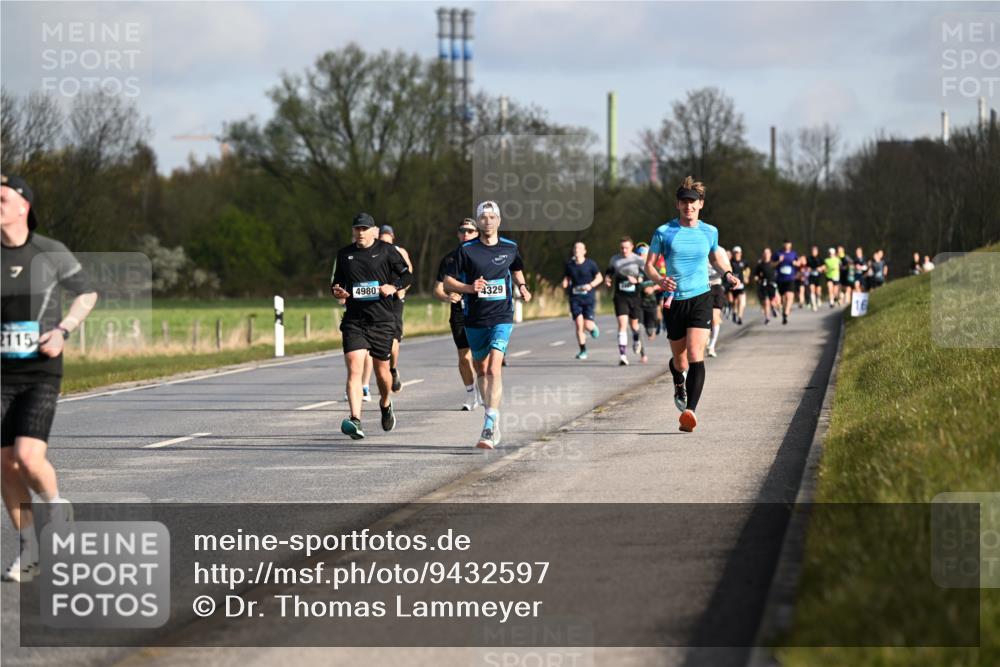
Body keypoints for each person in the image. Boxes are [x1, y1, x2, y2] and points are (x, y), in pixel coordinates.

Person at [2, 175, 97, 582]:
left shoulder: (49, 251)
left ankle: (57, 504)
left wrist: (63, 330)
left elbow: (87, 292)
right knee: (4, 464)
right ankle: (29, 549)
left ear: (23, 206)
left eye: (2, 198)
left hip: (39, 369)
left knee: (27, 458)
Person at [644, 176, 741, 433]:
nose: (688, 206)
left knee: (697, 354)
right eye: (684, 202)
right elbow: (649, 266)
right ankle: (678, 378)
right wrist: (660, 280)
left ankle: (690, 412)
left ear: (700, 205)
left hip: (701, 297)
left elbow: (716, 255)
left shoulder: (709, 231)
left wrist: (727, 273)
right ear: (678, 205)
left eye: (693, 202)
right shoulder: (664, 232)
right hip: (675, 301)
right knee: (681, 360)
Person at [443, 201, 531, 449]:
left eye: (493, 217)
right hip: (474, 318)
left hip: (502, 315)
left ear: (499, 221)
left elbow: (517, 269)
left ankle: (490, 422)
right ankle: (491, 414)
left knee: (493, 368)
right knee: (481, 369)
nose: (488, 221)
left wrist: (522, 286)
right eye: (484, 217)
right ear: (478, 221)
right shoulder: (466, 250)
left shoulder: (510, 247)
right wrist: (470, 288)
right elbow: (448, 282)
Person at [331, 213, 413, 440]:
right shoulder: (345, 254)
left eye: (364, 229)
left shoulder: (387, 251)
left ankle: (386, 403)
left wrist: (393, 286)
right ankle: (355, 419)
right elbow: (336, 283)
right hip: (354, 321)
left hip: (382, 320)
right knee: (354, 369)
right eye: (357, 229)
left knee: (382, 372)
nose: (360, 233)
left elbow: (407, 276)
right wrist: (339, 291)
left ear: (373, 230)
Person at [433, 219, 482, 410]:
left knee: (480, 357)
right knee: (464, 356)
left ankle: (484, 389)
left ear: (477, 233)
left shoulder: (484, 255)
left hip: (481, 311)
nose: (466, 234)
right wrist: (447, 297)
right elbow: (437, 289)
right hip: (459, 312)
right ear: (458, 234)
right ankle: (471, 394)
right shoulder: (449, 259)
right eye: (462, 231)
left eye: (470, 231)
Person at [376, 225, 412, 393]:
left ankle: (393, 369)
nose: (385, 242)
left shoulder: (400, 252)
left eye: (387, 238)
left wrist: (401, 289)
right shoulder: (374, 252)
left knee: (394, 338)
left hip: (395, 297)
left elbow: (408, 274)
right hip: (379, 297)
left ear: (393, 238)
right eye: (382, 238)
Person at [605, 236, 646, 366]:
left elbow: (645, 276)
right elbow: (609, 272)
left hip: (634, 297)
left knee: (634, 326)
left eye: (626, 248)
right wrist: (607, 279)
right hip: (620, 296)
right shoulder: (615, 259)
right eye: (622, 248)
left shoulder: (638, 260)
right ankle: (623, 356)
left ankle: (636, 339)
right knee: (622, 324)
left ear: (632, 247)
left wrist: (638, 280)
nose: (624, 250)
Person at [561, 241, 602, 360]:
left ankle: (592, 327)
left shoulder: (591, 264)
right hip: (575, 298)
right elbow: (567, 278)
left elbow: (599, 278)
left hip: (588, 297)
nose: (577, 250)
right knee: (579, 325)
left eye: (579, 248)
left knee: (587, 324)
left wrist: (590, 285)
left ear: (584, 251)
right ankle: (583, 350)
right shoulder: (569, 265)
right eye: (575, 248)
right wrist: (564, 283)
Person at [634, 243, 659, 362]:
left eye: (643, 253)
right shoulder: (633, 268)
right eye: (639, 253)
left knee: (650, 332)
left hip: (651, 302)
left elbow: (662, 282)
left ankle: (655, 327)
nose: (641, 256)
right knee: (637, 328)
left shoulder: (653, 268)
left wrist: (652, 288)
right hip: (638, 302)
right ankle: (643, 355)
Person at [773, 240, 798, 325]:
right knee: (783, 298)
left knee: (790, 296)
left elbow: (799, 263)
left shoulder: (793, 254)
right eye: (786, 244)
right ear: (783, 244)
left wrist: (796, 263)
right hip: (780, 279)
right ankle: (784, 313)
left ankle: (786, 314)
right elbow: (772, 264)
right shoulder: (778, 253)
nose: (787, 245)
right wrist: (778, 261)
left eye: (788, 244)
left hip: (790, 278)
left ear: (791, 245)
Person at [706, 261, 726, 358]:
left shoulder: (719, 251)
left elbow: (727, 268)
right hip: (703, 287)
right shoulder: (698, 249)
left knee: (714, 318)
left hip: (716, 286)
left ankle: (712, 346)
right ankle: (706, 339)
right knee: (706, 318)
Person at [754, 248, 778, 325]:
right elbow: (755, 275)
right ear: (763, 254)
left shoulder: (773, 264)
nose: (766, 254)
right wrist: (757, 278)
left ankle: (773, 308)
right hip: (763, 285)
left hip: (772, 284)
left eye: (768, 253)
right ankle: (767, 317)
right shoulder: (760, 265)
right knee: (766, 302)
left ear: (770, 254)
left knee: (772, 301)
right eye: (765, 253)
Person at [729, 246, 749, 325]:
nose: (736, 254)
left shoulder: (744, 262)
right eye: (735, 253)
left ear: (740, 253)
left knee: (742, 301)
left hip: (741, 285)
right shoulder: (730, 262)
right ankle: (734, 313)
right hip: (732, 285)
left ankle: (740, 317)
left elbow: (747, 269)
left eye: (738, 252)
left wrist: (746, 277)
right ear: (733, 253)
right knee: (735, 301)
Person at [806, 245, 823, 311]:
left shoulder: (820, 258)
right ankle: (814, 304)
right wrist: (809, 269)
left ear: (817, 252)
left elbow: (824, 266)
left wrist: (821, 268)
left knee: (818, 291)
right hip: (811, 276)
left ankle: (818, 298)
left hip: (818, 276)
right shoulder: (809, 258)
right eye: (813, 251)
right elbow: (807, 267)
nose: (814, 252)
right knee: (812, 289)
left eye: (815, 251)